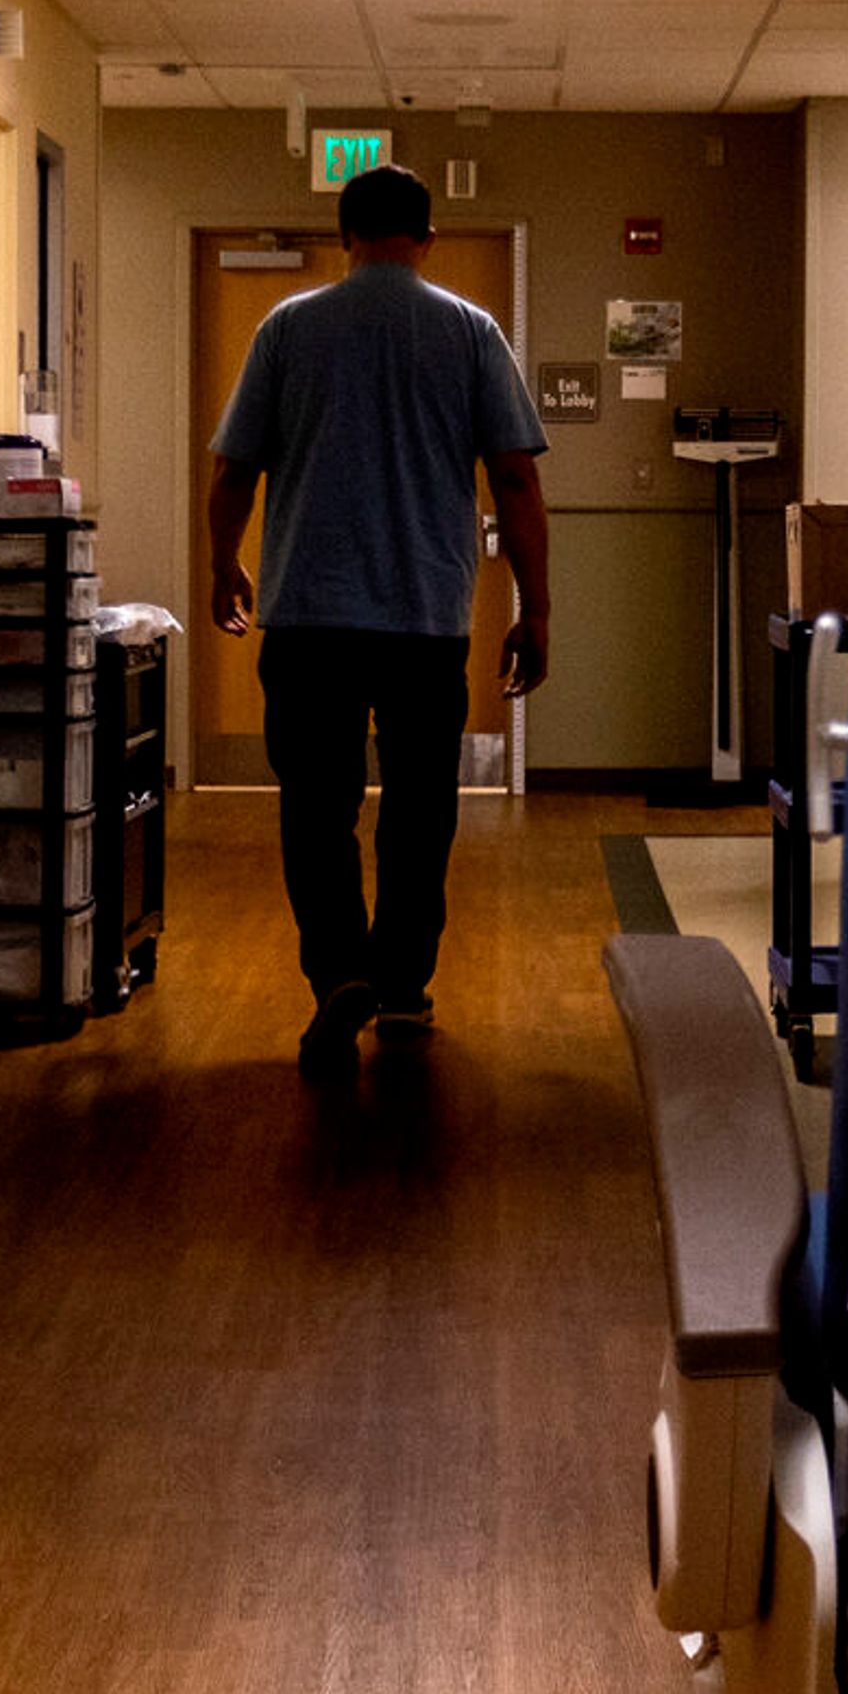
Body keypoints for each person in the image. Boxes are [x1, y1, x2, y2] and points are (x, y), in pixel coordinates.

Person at [205, 163, 554, 1072]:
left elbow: (234, 470)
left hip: (309, 618)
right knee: (419, 810)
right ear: (428, 238)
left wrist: (222, 565)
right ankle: (402, 987)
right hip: (424, 621)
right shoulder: (472, 331)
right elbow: (516, 477)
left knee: (316, 810)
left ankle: (337, 978)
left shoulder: (287, 328)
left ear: (343, 234)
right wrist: (535, 608)